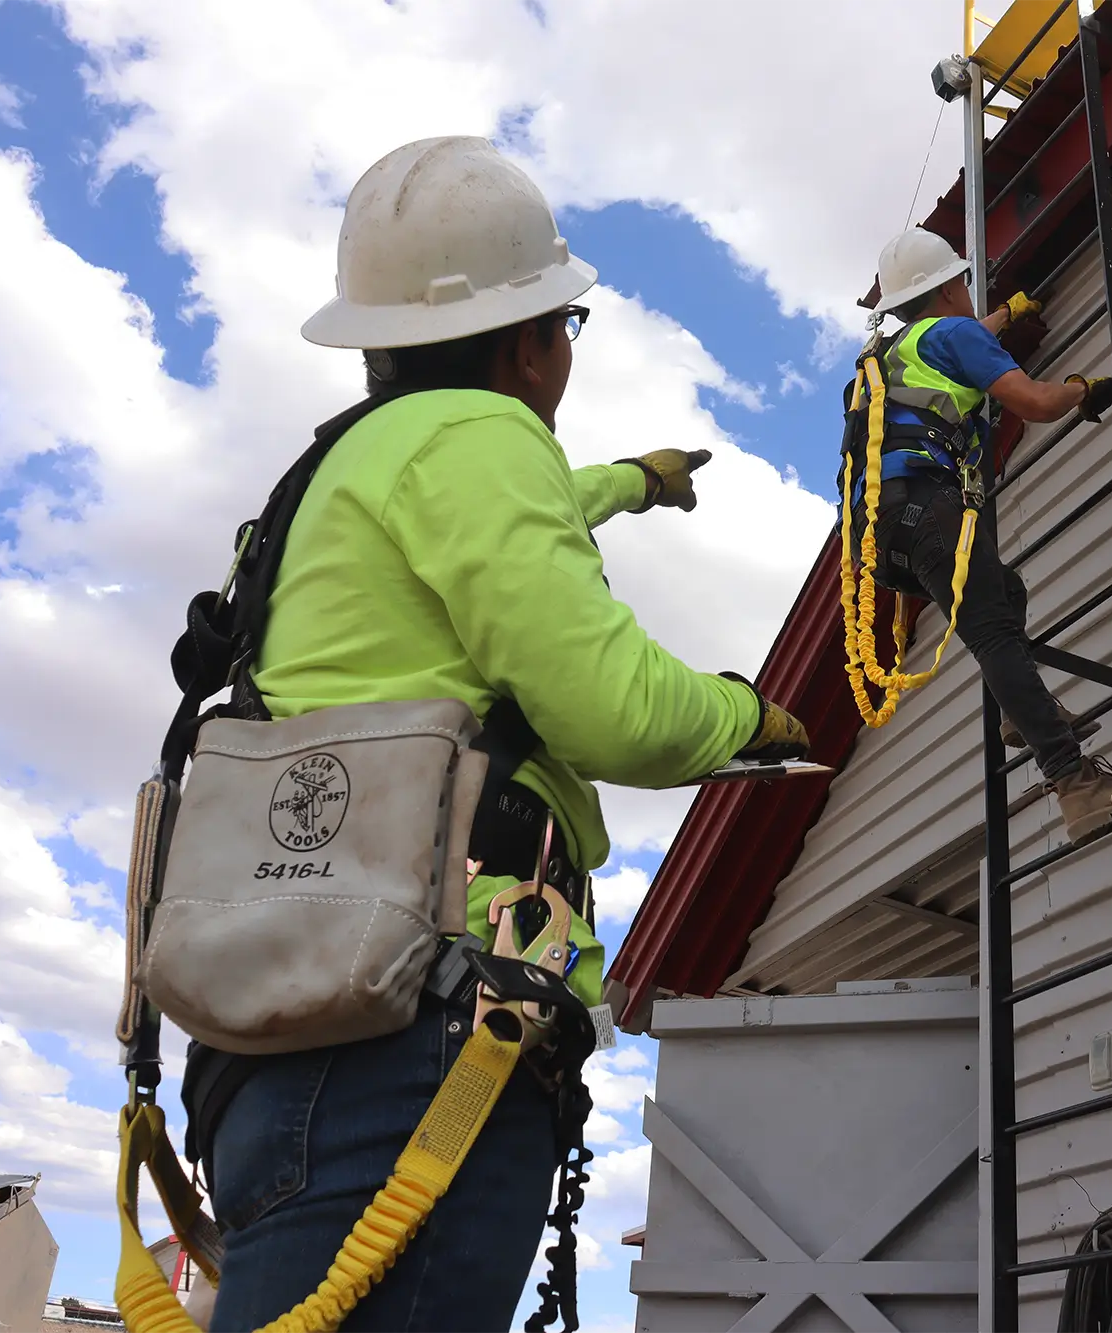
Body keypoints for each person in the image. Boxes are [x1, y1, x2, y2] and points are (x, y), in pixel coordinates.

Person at [192, 136, 809, 1333]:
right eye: (565, 326)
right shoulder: (482, 441)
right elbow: (617, 713)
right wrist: (751, 712)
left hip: (290, 1015)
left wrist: (632, 480)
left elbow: (508, 509)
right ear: (531, 342)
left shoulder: (330, 475)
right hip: (419, 1027)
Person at [862, 228, 1112, 842]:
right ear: (949, 287)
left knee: (1005, 590)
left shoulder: (895, 355)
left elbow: (961, 338)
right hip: (934, 506)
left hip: (887, 528)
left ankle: (1019, 717)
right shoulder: (954, 333)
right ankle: (1077, 785)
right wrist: (1083, 389)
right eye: (962, 284)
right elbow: (1037, 402)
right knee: (995, 633)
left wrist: (1005, 313)